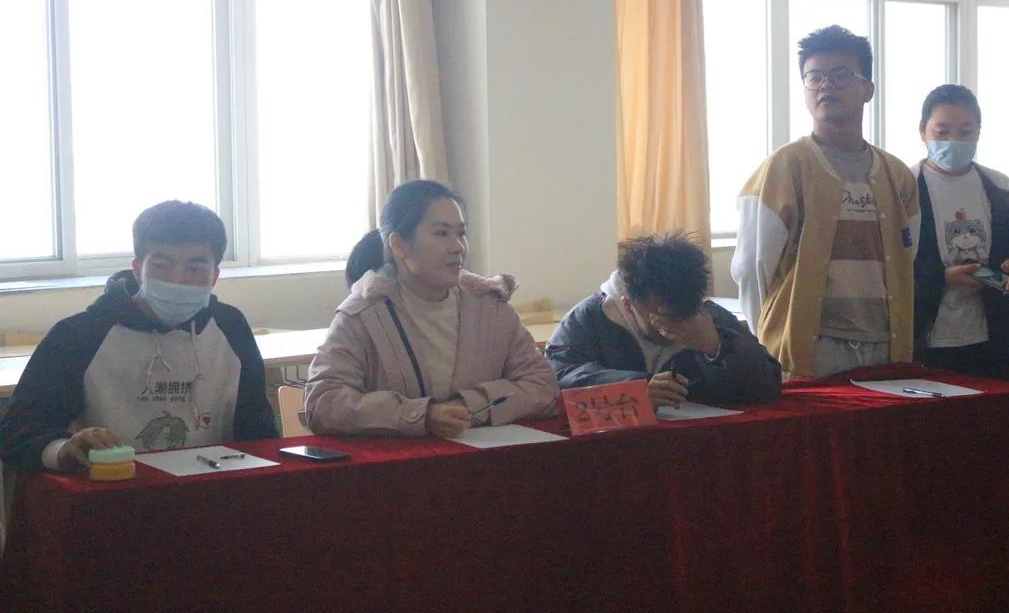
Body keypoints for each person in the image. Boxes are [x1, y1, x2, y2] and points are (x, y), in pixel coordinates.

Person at [0, 201, 277, 472]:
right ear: (137, 269)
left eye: (195, 269)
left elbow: (258, 431)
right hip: (110, 491)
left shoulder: (231, 327)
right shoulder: (79, 335)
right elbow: (17, 435)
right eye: (161, 265)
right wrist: (63, 450)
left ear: (215, 276)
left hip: (212, 489)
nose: (177, 280)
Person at [731, 25, 920, 378]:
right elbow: (752, 270)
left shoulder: (897, 175)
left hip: (885, 344)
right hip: (811, 347)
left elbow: (906, 258)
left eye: (841, 76)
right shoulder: (785, 167)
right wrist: (768, 339)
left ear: (868, 89)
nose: (826, 86)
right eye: (814, 77)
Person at [305, 180, 558, 438]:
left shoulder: (491, 307)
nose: (458, 247)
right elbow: (323, 402)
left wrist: (470, 406)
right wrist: (419, 415)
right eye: (441, 233)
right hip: (405, 461)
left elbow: (543, 387)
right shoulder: (363, 314)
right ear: (399, 245)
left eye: (461, 233)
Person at [547, 233, 781, 408]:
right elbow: (558, 376)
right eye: (658, 319)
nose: (671, 331)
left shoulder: (709, 317)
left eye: (682, 317)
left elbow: (768, 386)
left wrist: (717, 348)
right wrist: (633, 389)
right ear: (628, 305)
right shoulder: (590, 319)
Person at [912, 84, 1009, 381]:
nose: (953, 141)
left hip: (990, 338)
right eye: (942, 132)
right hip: (926, 339)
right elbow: (890, 265)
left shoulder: (999, 188)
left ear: (979, 132)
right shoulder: (905, 188)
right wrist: (942, 277)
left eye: (965, 132)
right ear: (923, 131)